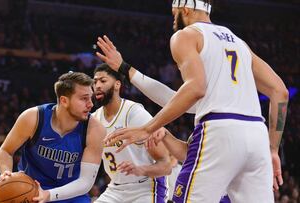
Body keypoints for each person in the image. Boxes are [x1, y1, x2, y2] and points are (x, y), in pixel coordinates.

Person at [95, 0, 289, 202]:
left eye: (173, 14)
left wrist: (147, 128)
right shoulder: (240, 44)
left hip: (219, 131)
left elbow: (195, 88)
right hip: (257, 136)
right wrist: (273, 148)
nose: (173, 20)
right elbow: (280, 91)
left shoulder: (185, 36)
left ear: (185, 10)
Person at [0, 72, 106, 203]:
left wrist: (49, 194)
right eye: (84, 99)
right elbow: (5, 151)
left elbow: (85, 182)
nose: (91, 104)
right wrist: (6, 173)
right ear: (64, 100)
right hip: (32, 192)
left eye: (91, 98)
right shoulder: (33, 118)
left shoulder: (95, 129)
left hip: (71, 194)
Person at [92, 64, 172, 203]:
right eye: (95, 81)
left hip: (146, 187)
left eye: (103, 81)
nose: (97, 85)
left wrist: (140, 169)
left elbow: (166, 166)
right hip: (115, 189)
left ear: (117, 85)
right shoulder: (94, 120)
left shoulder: (134, 113)